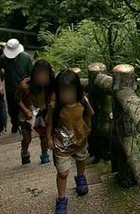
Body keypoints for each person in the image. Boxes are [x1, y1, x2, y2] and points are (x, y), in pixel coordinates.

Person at [46, 69, 94, 213]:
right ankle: (62, 198)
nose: (67, 95)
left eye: (70, 91)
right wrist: (48, 138)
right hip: (61, 145)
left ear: (76, 90)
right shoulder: (54, 107)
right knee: (62, 173)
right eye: (63, 92)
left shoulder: (82, 102)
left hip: (80, 140)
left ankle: (80, 177)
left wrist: (89, 127)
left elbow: (89, 114)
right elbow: (49, 123)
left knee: (81, 159)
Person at [17, 59, 55, 165]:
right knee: (27, 138)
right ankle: (24, 151)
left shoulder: (49, 86)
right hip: (25, 114)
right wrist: (26, 111)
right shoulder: (25, 86)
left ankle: (44, 154)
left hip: (41, 113)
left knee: (44, 136)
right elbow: (17, 99)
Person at [0, 38, 32, 135]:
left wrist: (29, 81)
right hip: (10, 88)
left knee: (25, 108)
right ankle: (14, 124)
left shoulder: (26, 58)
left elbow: (32, 73)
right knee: (12, 109)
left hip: (24, 89)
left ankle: (26, 126)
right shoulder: (3, 58)